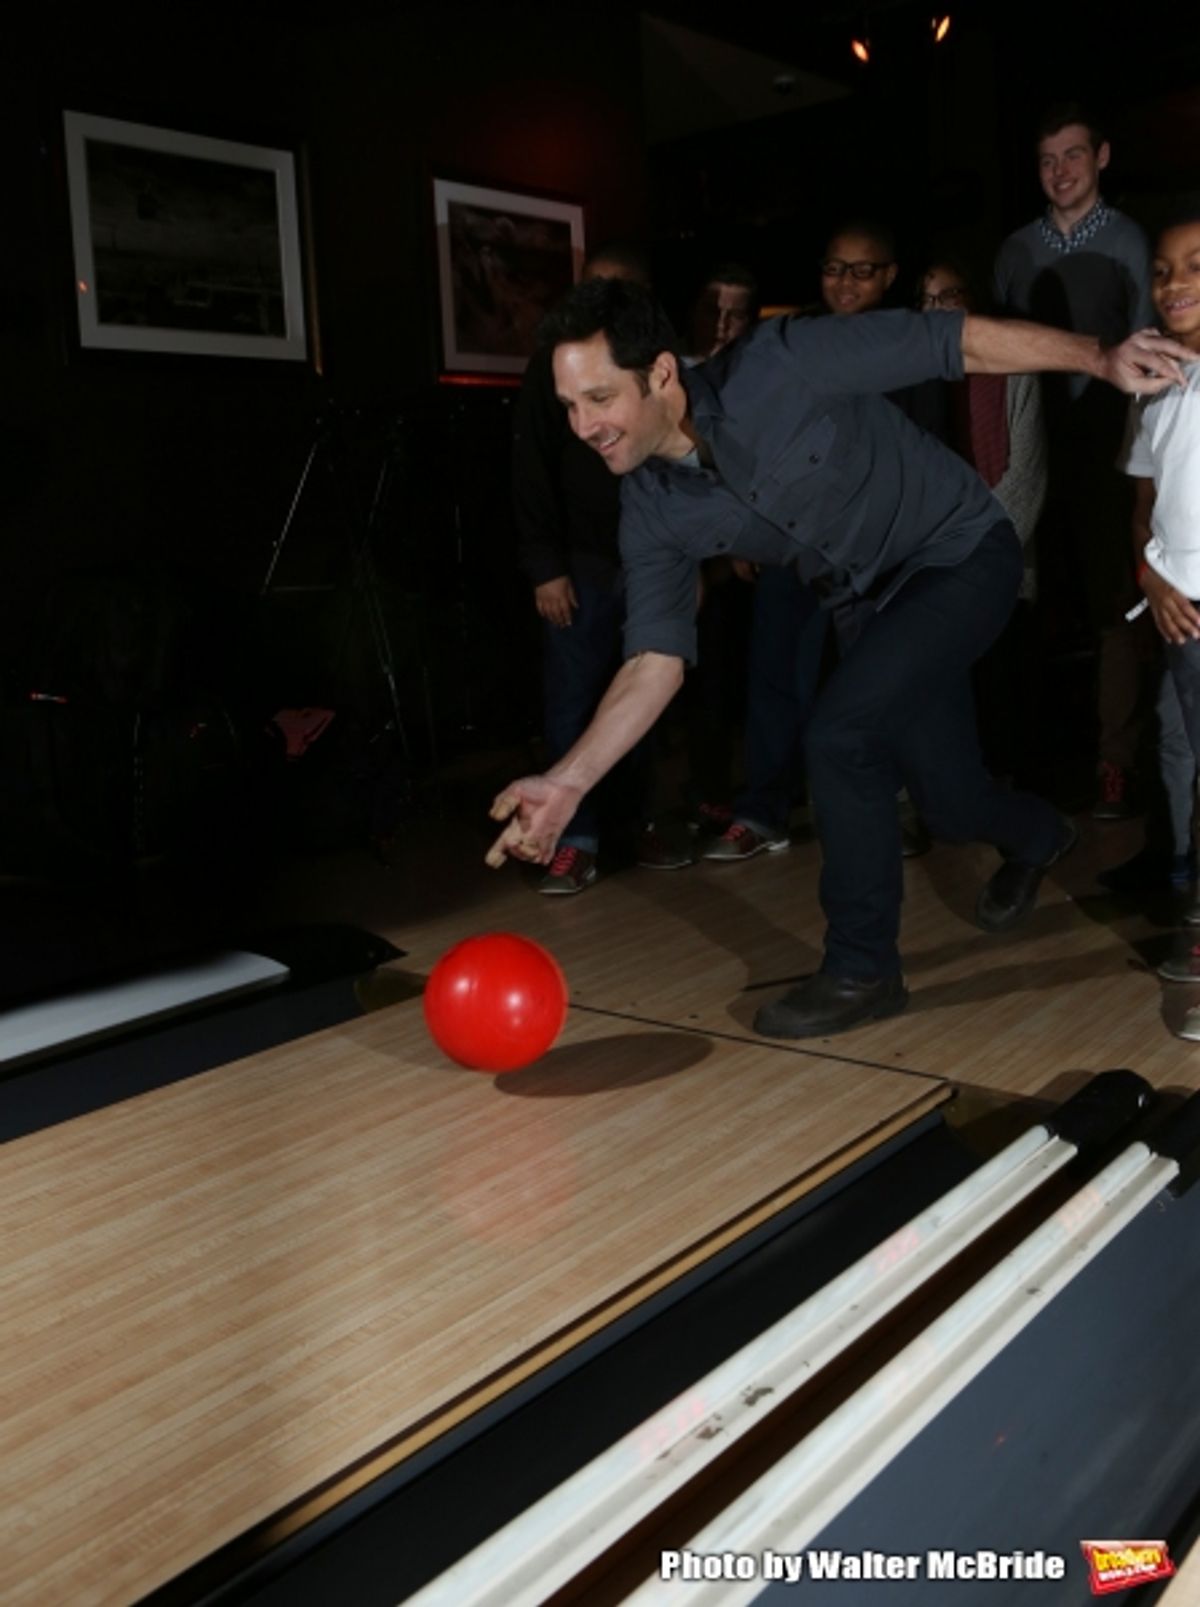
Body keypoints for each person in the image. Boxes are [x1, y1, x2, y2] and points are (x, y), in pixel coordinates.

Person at [488, 278, 1188, 1038]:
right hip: (866, 603)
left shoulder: (782, 361)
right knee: (949, 798)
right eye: (567, 407)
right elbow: (655, 658)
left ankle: (863, 969)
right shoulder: (652, 508)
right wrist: (568, 780)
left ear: (659, 373)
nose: (582, 425)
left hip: (957, 553)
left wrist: (1099, 356)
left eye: (598, 398)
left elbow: (952, 342)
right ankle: (1039, 834)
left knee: (839, 736)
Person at [703, 220, 937, 865]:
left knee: (879, 686)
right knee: (776, 677)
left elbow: (929, 453)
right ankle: (762, 813)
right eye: (835, 267)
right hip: (790, 544)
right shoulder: (787, 342)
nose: (845, 282)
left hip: (879, 551)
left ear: (889, 277)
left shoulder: (909, 347)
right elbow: (742, 441)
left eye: (862, 270)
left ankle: (896, 807)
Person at [512, 243, 690, 893]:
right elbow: (529, 469)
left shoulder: (664, 373)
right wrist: (544, 566)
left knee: (643, 694)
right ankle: (575, 836)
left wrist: (689, 563)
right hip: (581, 560)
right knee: (573, 696)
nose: (585, 423)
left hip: (649, 561)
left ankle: (633, 821)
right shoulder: (553, 370)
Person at [993, 102, 1154, 820]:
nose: (1060, 171)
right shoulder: (1015, 249)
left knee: (1113, 599)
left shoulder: (1127, 241)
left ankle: (1113, 762)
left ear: (1103, 157)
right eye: (1048, 159)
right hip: (1030, 440)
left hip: (1105, 441)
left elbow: (1150, 341)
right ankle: (1021, 764)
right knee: (1024, 593)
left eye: (1074, 156)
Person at [918, 257, 1047, 782]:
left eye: (949, 295)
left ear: (972, 299)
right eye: (927, 300)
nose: (939, 309)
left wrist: (982, 554)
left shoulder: (1014, 367)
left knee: (1009, 685)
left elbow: (1029, 473)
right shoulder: (919, 374)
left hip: (1005, 559)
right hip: (940, 568)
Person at [1117, 207, 1200, 1021]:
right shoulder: (1158, 382)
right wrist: (1153, 578)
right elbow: (1144, 504)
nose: (1175, 282)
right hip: (1181, 610)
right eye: (1165, 268)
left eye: (1196, 265)